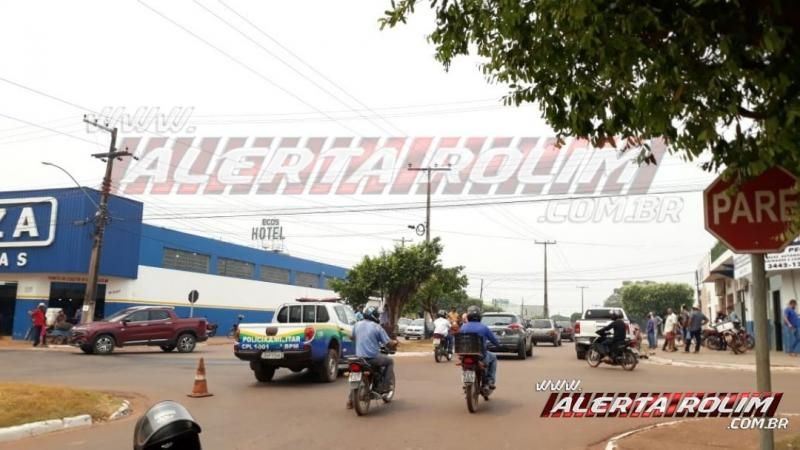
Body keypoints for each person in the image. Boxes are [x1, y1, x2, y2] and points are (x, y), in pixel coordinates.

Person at [347, 306, 398, 409]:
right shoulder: (377, 327)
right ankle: (385, 387)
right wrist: (395, 342)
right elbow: (388, 343)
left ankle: (350, 401)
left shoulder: (357, 325)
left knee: (355, 375)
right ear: (374, 316)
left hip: (359, 358)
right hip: (372, 358)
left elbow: (352, 337)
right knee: (390, 361)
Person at [459, 305, 499, 390]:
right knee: (493, 357)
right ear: (480, 317)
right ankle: (489, 381)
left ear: (468, 316)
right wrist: (498, 345)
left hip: (465, 354)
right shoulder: (484, 327)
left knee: (464, 365)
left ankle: (467, 381)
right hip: (480, 355)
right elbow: (494, 341)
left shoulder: (463, 327)